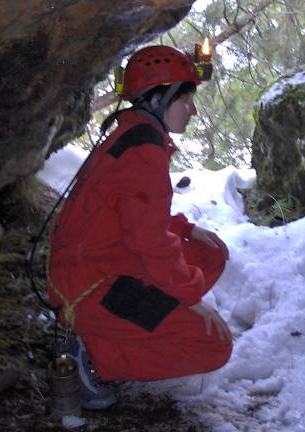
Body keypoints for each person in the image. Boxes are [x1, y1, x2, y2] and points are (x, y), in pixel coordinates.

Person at [46, 45, 233, 410]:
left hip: (102, 266)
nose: (193, 110)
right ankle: (93, 355)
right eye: (186, 99)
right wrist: (190, 299)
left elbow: (132, 214)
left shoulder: (136, 136)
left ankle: (127, 327)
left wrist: (183, 228)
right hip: (91, 286)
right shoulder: (142, 151)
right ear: (160, 99)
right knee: (213, 345)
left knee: (210, 253)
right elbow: (149, 241)